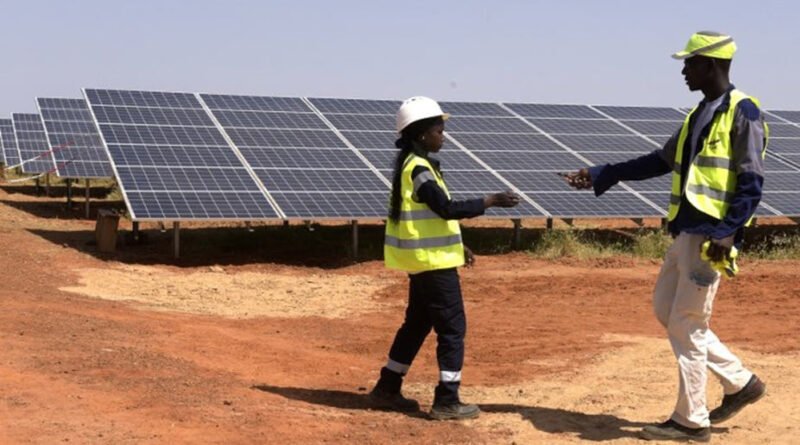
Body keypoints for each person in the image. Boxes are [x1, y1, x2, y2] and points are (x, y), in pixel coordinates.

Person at [564, 31, 767, 442]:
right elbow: (660, 160)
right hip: (686, 231)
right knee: (666, 311)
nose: (683, 70)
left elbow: (752, 182)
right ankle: (741, 382)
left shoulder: (742, 111)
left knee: (687, 323)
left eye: (689, 63)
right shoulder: (698, 114)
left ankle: (691, 421)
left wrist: (728, 234)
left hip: (711, 236)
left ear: (710, 64)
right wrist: (604, 173)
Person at [369, 96, 520, 420]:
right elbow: (446, 209)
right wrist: (491, 200)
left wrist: (457, 247)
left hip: (427, 260)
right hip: (433, 265)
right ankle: (447, 400)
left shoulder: (412, 165)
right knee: (452, 330)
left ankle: (387, 386)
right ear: (422, 134)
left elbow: (433, 218)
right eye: (439, 129)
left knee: (417, 325)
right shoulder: (420, 169)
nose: (444, 135)